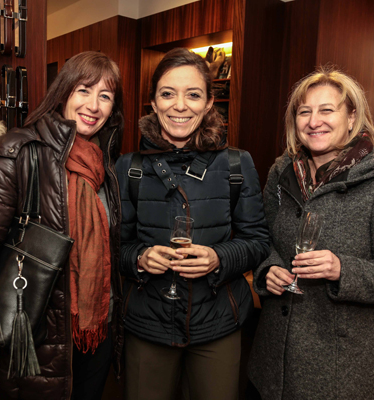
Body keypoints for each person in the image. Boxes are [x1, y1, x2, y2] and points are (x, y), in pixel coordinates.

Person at [0, 51, 125, 400]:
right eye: (84, 90)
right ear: (63, 92)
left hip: (94, 333)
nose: (94, 105)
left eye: (105, 96)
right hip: (33, 337)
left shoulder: (104, 164)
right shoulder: (17, 151)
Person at [247, 67, 374, 400]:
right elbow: (265, 241)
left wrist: (341, 269)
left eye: (327, 110)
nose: (314, 121)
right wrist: (267, 270)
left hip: (338, 371)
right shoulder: (282, 173)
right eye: (304, 112)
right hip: (272, 361)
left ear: (352, 116)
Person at [115, 48, 269, 400]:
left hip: (217, 321)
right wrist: (138, 258)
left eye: (193, 94)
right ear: (153, 102)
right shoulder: (128, 167)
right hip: (147, 321)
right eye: (168, 94)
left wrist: (220, 258)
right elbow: (114, 248)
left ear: (209, 102)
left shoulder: (236, 164)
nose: (180, 106)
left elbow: (258, 241)